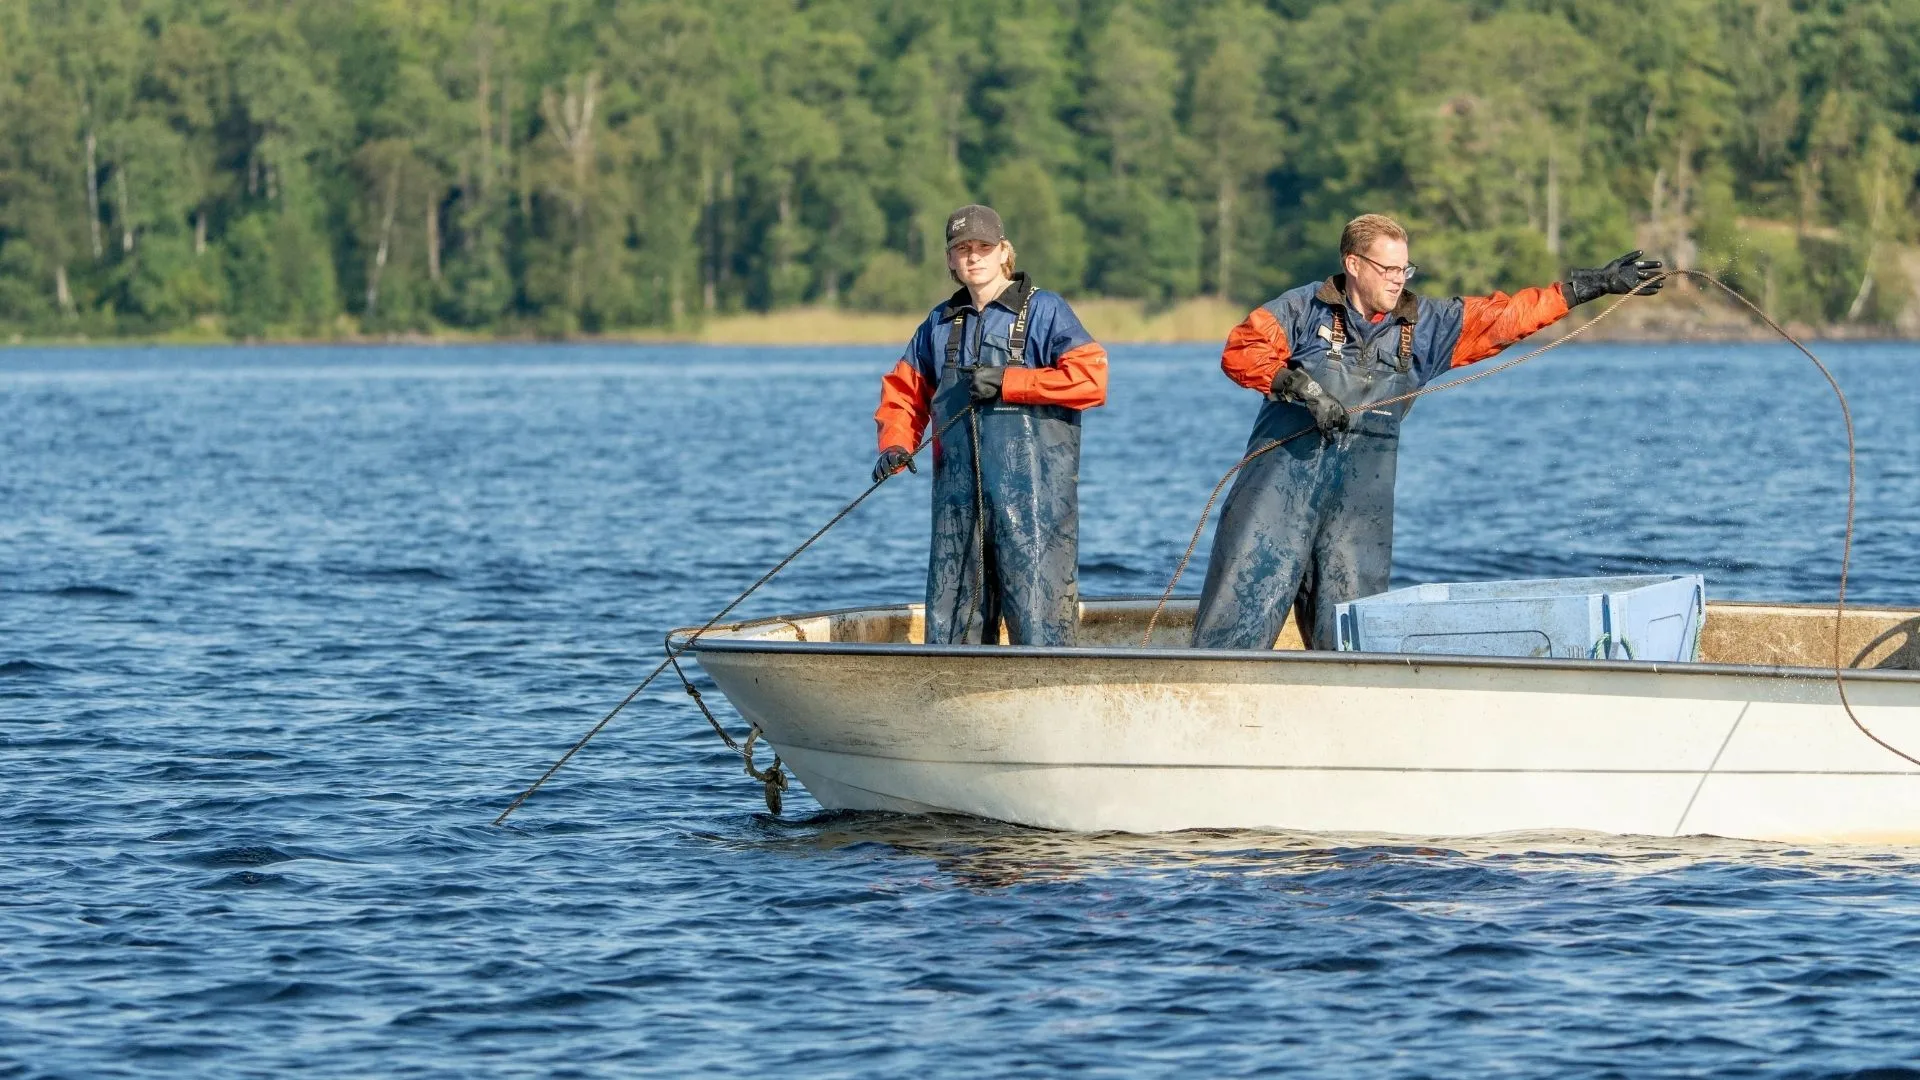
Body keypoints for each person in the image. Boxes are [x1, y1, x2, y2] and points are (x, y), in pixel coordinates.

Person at [1191, 213, 1662, 651]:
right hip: (1274, 503)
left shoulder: (1426, 327)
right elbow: (1242, 349)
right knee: (1236, 628)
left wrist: (1589, 286)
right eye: (1388, 269)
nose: (1399, 279)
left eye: (1404, 269)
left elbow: (1505, 317)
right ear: (1353, 264)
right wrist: (1303, 388)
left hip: (1358, 516)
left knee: (1352, 645)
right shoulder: (1302, 309)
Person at [872, 204, 1108, 646]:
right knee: (953, 613)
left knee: (1039, 610)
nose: (973, 257)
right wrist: (895, 446)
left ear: (1004, 252)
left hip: (1035, 498)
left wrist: (1009, 382)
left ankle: (1048, 688)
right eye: (962, 249)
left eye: (983, 247)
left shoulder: (1045, 310)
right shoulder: (938, 324)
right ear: (950, 260)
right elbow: (904, 395)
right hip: (958, 501)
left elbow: (1092, 381)